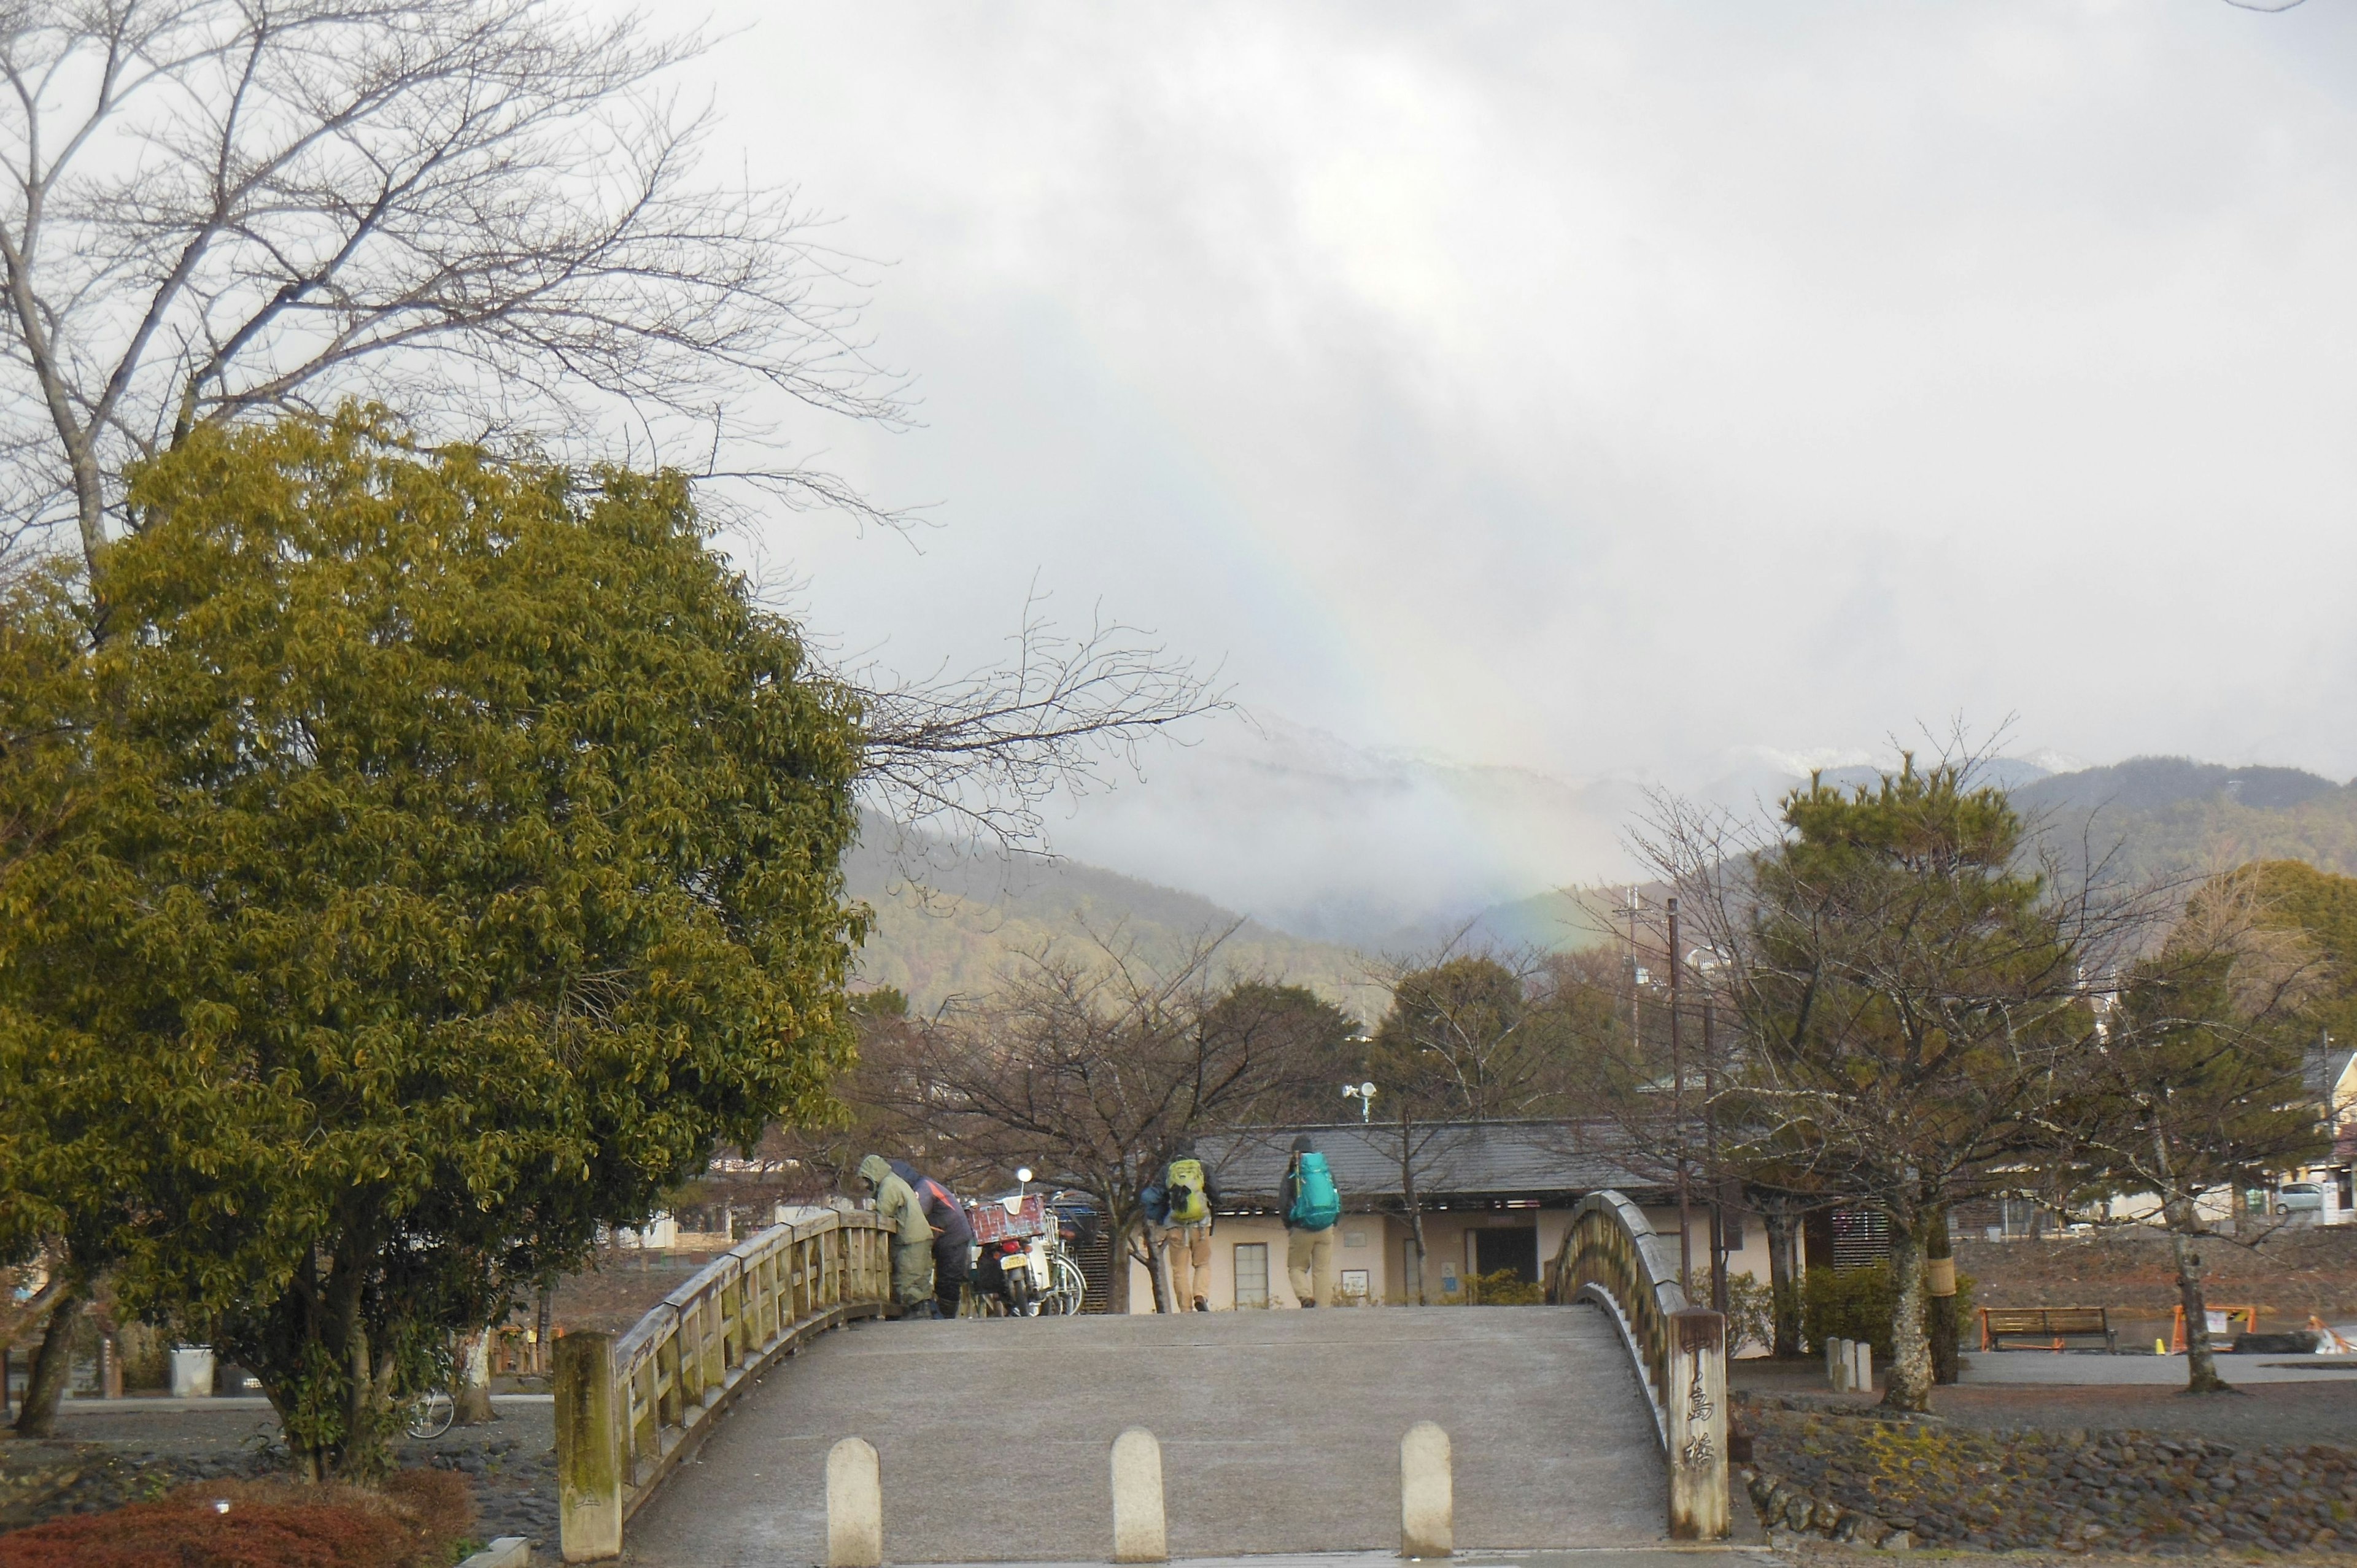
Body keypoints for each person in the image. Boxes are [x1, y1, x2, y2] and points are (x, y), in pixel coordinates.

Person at [1143, 1138, 1221, 1311]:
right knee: (1202, 1263)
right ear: (1194, 1148)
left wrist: (1157, 1216)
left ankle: (1185, 1309)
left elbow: (1153, 1197)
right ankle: (1200, 1295)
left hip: (1175, 1225)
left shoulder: (1167, 1170)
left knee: (1179, 1269)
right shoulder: (1203, 1168)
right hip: (1200, 1225)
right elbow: (1216, 1193)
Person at [892, 1158, 975, 1319]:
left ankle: (947, 1318)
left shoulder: (923, 1188)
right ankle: (945, 1316)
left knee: (948, 1280)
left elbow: (917, 1213)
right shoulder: (925, 1184)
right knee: (947, 1280)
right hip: (949, 1235)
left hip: (952, 1236)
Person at [858, 1154, 937, 1316]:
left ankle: (916, 1316)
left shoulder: (889, 1186)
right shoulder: (896, 1180)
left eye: (867, 1180)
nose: (866, 1185)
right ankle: (925, 1315)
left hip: (910, 1240)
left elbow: (883, 1213)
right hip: (920, 1237)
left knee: (907, 1281)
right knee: (920, 1280)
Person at [1280, 1134, 1341, 1308]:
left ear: (1295, 1153)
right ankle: (1323, 1310)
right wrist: (1333, 1222)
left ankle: (1306, 1297)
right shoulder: (1325, 1172)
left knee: (1296, 1267)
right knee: (1322, 1270)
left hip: (1301, 1228)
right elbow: (1337, 1198)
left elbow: (1283, 1202)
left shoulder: (1293, 1173)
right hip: (1326, 1228)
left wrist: (1289, 1225)